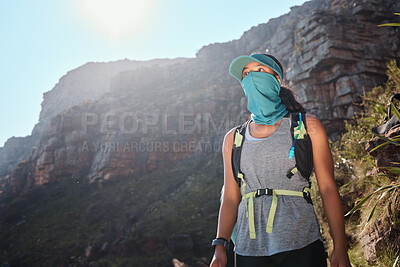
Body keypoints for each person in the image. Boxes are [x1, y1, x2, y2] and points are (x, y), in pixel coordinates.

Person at [209, 54, 351, 267]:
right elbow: (230, 197)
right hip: (249, 250)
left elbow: (328, 189)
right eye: (246, 74)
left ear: (277, 79)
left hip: (301, 242)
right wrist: (220, 247)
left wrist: (340, 247)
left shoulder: (307, 127)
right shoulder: (233, 138)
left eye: (259, 71)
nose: (251, 78)